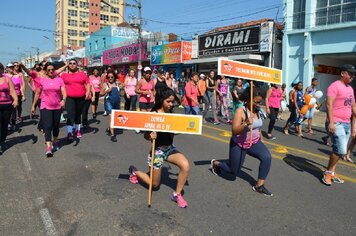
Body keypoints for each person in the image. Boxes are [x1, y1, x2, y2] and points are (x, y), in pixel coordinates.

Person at [128, 88, 190, 208]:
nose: (171, 104)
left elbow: (173, 130)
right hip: (157, 150)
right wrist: (150, 136)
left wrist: (181, 130)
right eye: (168, 102)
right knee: (155, 185)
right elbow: (146, 135)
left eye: (172, 102)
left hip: (169, 149)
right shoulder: (153, 114)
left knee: (185, 165)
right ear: (162, 100)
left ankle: (177, 195)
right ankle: (135, 171)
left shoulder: (171, 114)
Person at [210, 87, 273, 197]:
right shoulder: (241, 111)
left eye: (260, 102)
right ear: (248, 99)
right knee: (233, 172)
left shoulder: (258, 111)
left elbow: (257, 127)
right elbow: (234, 131)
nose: (258, 104)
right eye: (256, 102)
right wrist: (245, 124)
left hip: (253, 142)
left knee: (267, 157)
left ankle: (259, 185)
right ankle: (217, 164)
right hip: (239, 143)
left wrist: (260, 137)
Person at [322, 64, 356, 186]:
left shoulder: (350, 89)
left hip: (346, 123)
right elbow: (329, 105)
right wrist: (331, 122)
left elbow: (353, 106)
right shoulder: (334, 86)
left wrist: (353, 127)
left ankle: (332, 172)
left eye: (353, 74)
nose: (353, 76)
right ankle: (328, 172)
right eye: (350, 73)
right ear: (343, 73)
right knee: (341, 150)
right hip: (336, 122)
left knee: (338, 150)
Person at [31, 62, 67, 157]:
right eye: (49, 70)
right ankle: (48, 148)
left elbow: (64, 91)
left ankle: (55, 141)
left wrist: (63, 100)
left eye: (52, 70)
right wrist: (33, 105)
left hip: (57, 106)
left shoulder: (59, 80)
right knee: (47, 126)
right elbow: (37, 94)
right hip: (45, 106)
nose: (51, 71)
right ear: (46, 71)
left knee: (56, 126)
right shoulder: (42, 80)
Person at [61, 59, 90, 142]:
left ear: (77, 65)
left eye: (74, 63)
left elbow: (87, 84)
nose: (72, 65)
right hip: (69, 98)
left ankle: (77, 130)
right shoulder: (64, 75)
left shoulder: (83, 74)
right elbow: (60, 85)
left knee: (78, 115)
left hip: (81, 98)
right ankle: (69, 132)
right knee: (70, 115)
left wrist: (88, 92)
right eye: (70, 63)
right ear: (68, 65)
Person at [0, 63, 18, 154]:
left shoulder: (7, 79)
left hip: (7, 105)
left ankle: (2, 141)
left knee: (4, 124)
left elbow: (12, 90)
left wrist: (15, 100)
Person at [100, 70, 122, 142]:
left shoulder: (117, 83)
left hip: (117, 102)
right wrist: (106, 91)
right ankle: (113, 135)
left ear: (114, 77)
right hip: (109, 102)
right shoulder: (105, 84)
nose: (110, 78)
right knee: (111, 117)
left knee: (116, 118)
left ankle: (110, 128)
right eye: (108, 77)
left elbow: (123, 85)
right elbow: (100, 94)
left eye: (112, 77)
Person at [5, 63, 25, 130]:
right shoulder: (4, 76)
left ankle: (13, 124)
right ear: (7, 68)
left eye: (12, 67)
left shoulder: (17, 76)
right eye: (10, 67)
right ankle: (8, 123)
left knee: (14, 110)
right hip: (7, 96)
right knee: (7, 111)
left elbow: (21, 86)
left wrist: (23, 95)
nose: (11, 68)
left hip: (17, 95)